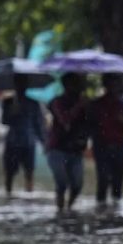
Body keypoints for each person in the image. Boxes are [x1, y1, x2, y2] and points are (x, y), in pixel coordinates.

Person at [90, 74, 123, 214]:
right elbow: (91, 124)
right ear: (106, 86)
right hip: (101, 146)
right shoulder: (96, 104)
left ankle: (115, 209)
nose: (114, 88)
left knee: (118, 180)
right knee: (103, 178)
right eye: (111, 85)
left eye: (116, 85)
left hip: (119, 146)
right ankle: (101, 207)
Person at [46, 72, 90, 215]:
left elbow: (91, 124)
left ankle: (69, 209)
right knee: (62, 182)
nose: (78, 87)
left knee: (77, 185)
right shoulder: (57, 102)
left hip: (76, 150)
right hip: (57, 149)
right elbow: (65, 122)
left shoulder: (84, 103)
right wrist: (79, 106)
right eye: (75, 84)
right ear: (66, 85)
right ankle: (60, 210)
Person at [0, 74, 46, 197]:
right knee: (10, 173)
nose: (21, 86)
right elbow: (3, 121)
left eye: (23, 83)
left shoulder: (33, 103)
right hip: (13, 141)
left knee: (29, 172)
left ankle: (29, 196)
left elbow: (39, 124)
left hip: (28, 142)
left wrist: (44, 143)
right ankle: (8, 195)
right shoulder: (8, 102)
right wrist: (12, 112)